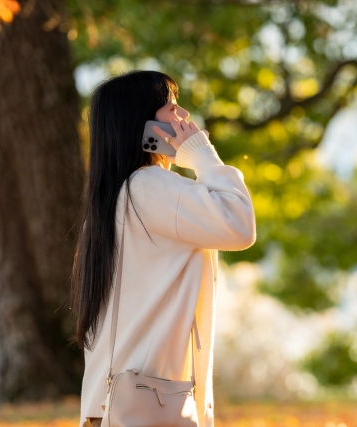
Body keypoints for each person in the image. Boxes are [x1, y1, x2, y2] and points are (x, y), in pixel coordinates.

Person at [70, 70, 256, 427]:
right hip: (146, 406)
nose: (184, 115)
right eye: (171, 107)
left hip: (114, 406)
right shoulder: (149, 188)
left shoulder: (113, 198)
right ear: (143, 126)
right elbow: (238, 224)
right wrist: (203, 157)